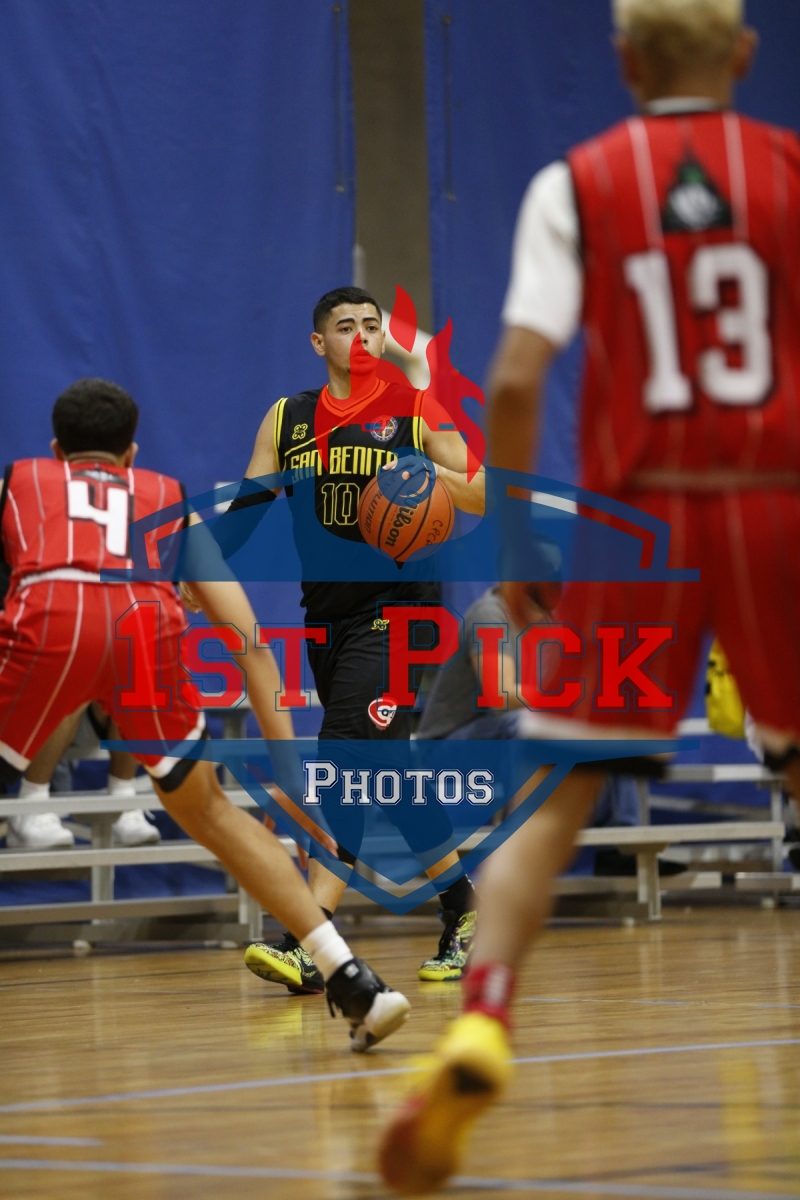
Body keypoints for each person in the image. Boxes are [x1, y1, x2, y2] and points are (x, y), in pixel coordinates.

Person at [380, 0, 800, 1188]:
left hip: (640, 522)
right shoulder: (785, 170)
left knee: (564, 786)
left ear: (621, 63)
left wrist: (516, 538)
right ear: (743, 56)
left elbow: (516, 376)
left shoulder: (575, 184)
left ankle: (483, 1021)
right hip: (772, 500)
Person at [0, 377, 410, 1051]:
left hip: (51, 620)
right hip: (141, 627)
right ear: (131, 455)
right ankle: (353, 979)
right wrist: (289, 771)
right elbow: (250, 643)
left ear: (54, 450)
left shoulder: (19, 482)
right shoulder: (167, 498)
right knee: (214, 813)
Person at [206, 286, 484, 989]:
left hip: (400, 615)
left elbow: (481, 491)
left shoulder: (414, 408)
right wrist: (200, 559)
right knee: (389, 776)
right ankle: (464, 909)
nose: (360, 336)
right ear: (318, 342)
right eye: (345, 327)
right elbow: (248, 508)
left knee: (342, 757)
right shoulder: (287, 418)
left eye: (371, 325)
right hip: (326, 618)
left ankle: (314, 942)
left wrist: (430, 471)